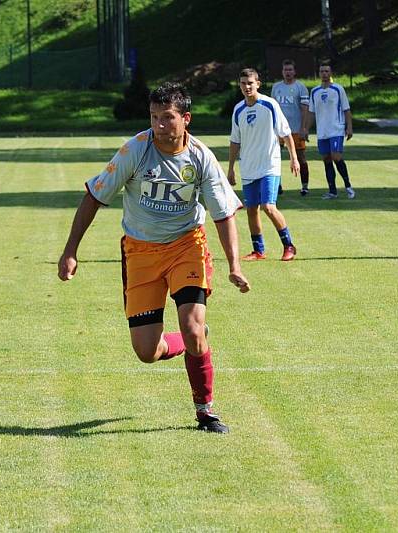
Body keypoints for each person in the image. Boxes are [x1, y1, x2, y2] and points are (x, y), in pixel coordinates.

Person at [58, 83, 250, 434]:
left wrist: (234, 265)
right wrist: (71, 250)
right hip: (141, 252)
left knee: (191, 329)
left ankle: (205, 411)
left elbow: (223, 214)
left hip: (186, 246)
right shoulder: (136, 149)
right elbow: (94, 196)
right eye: (154, 117)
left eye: (167, 118)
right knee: (147, 351)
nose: (159, 125)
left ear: (185, 119)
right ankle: (195, 338)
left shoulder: (201, 158)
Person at [228, 68, 299, 262]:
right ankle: (258, 250)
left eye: (250, 83)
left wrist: (294, 158)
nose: (247, 87)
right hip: (248, 168)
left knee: (268, 206)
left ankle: (289, 246)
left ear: (258, 84)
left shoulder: (270, 105)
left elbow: (286, 134)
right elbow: (235, 141)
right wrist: (231, 168)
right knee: (251, 209)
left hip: (269, 166)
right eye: (243, 83)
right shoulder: (238, 110)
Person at [306, 62, 355, 199]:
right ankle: (332, 191)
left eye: (327, 71)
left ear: (331, 73)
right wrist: (306, 129)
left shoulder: (338, 89)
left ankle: (348, 186)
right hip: (322, 131)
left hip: (336, 130)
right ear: (319, 73)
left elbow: (346, 109)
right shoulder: (315, 91)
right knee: (326, 159)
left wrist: (349, 127)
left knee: (336, 156)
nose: (324, 74)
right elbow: (311, 112)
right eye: (322, 71)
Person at [271, 59, 311, 195]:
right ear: (282, 72)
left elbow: (305, 109)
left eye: (290, 70)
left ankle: (304, 186)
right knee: (274, 157)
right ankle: (278, 185)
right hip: (278, 130)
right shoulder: (276, 87)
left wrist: (304, 128)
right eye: (285, 70)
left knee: (300, 157)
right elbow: (272, 108)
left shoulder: (301, 87)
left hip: (295, 130)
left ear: (294, 72)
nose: (288, 72)